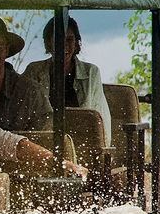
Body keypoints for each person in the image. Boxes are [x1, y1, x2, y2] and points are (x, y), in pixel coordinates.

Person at [23, 14, 113, 144]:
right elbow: (22, 117)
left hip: (81, 144)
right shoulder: (33, 71)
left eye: (69, 39)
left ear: (76, 44)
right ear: (48, 43)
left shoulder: (91, 73)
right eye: (58, 39)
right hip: (43, 145)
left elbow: (100, 120)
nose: (64, 45)